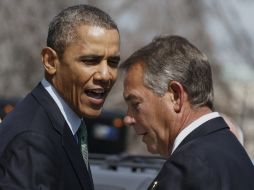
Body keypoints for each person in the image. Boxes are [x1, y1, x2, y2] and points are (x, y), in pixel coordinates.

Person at [0, 4, 120, 190]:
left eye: (112, 62)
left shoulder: (66, 126)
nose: (105, 74)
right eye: (90, 60)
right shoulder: (32, 139)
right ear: (50, 61)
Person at [121, 35, 254, 190]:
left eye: (135, 104)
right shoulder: (232, 152)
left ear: (176, 96)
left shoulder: (189, 168)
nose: (128, 119)